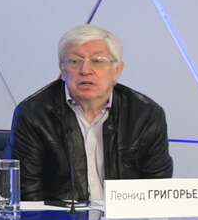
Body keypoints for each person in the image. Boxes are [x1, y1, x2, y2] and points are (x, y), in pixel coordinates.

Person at [11, 23, 172, 203]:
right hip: (62, 219)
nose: (85, 70)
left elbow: (158, 190)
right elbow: (28, 194)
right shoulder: (34, 114)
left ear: (117, 70)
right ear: (62, 70)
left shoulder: (146, 115)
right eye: (74, 61)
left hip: (124, 219)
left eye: (97, 61)